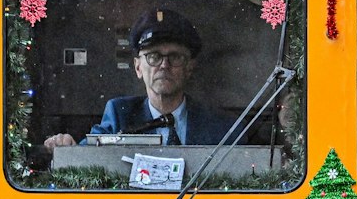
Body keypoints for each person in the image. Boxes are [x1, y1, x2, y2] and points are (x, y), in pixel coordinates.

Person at [44, 8, 238, 149]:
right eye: (154, 56)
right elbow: (87, 155)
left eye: (175, 57)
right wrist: (67, 146)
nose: (164, 65)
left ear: (189, 67)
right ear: (138, 67)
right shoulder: (120, 115)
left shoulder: (220, 126)